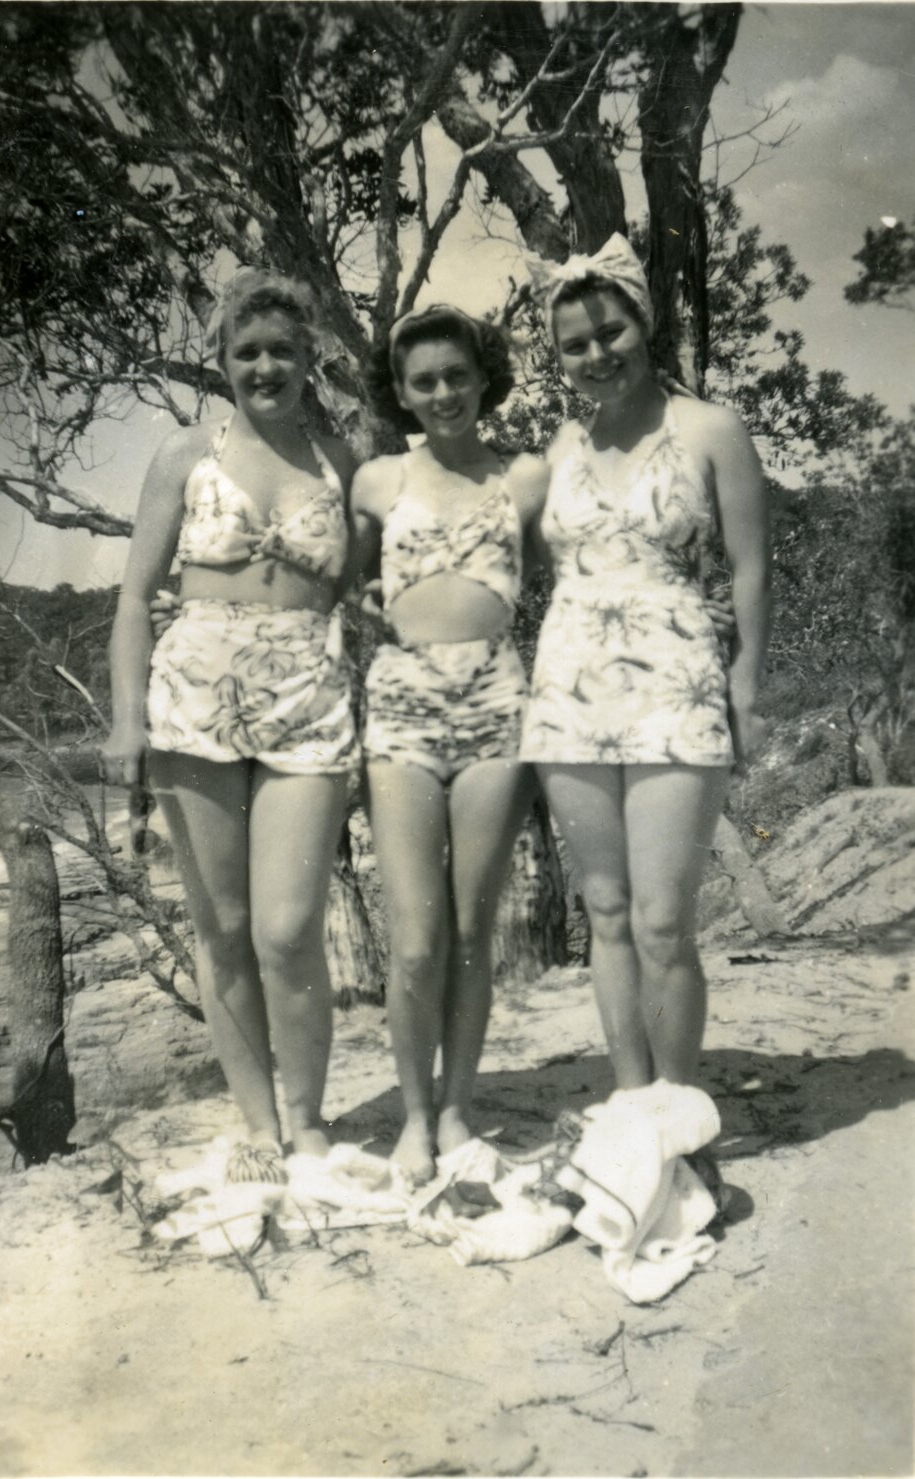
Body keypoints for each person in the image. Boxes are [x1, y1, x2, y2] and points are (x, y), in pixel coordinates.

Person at [100, 267, 358, 1181]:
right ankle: (257, 1125)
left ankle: (308, 1115)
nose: (266, 366)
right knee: (225, 928)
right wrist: (127, 723)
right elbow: (134, 599)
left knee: (288, 929)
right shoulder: (183, 457)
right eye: (246, 352)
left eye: (283, 350)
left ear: (310, 357)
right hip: (194, 704)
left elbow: (365, 593)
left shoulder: (341, 463)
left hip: (309, 703)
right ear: (221, 361)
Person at [521, 235, 770, 1095]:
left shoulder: (709, 428)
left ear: (643, 322)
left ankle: (678, 1111)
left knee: (665, 919)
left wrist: (745, 689)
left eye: (610, 332)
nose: (597, 355)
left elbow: (748, 566)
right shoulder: (557, 449)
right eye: (575, 344)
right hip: (567, 692)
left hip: (677, 684)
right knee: (609, 914)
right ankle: (632, 1108)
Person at [350, 306, 547, 1184]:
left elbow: (548, 570)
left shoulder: (524, 477)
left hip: (497, 697)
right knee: (418, 938)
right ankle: (414, 1119)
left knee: (472, 927)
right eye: (422, 380)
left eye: (455, 375)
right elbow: (346, 578)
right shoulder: (377, 480)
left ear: (483, 376)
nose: (442, 393)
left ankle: (459, 1112)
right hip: (401, 703)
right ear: (400, 392)